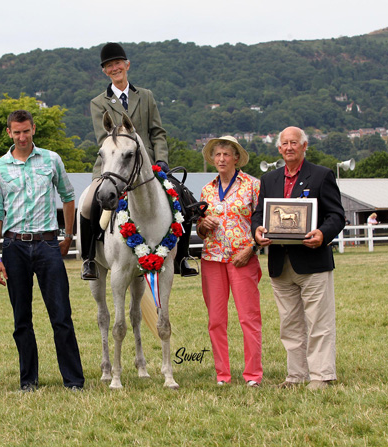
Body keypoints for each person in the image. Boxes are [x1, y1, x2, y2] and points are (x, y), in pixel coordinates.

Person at [81, 42, 196, 280]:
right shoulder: (98, 102)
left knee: (182, 198)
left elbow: (158, 132)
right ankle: (90, 258)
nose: (115, 68)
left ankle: (182, 257)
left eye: (118, 64)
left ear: (127, 65)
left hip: (149, 168)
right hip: (113, 167)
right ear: (105, 71)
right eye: (109, 66)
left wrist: (161, 160)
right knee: (89, 203)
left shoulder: (145, 96)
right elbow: (104, 139)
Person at [0, 109, 84, 392]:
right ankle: (28, 380)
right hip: (14, 246)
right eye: (16, 132)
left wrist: (68, 235)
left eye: (26, 131)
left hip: (47, 243)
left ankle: (74, 380)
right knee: (21, 319)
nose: (22, 137)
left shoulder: (51, 159)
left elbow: (68, 197)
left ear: (33, 129)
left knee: (61, 315)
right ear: (9, 132)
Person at [252, 126, 345, 391]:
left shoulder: (322, 175)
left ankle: (322, 374)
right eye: (285, 143)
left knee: (319, 321)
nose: (289, 147)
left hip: (313, 262)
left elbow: (336, 216)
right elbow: (259, 215)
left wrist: (323, 234)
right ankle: (296, 375)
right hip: (280, 263)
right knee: (289, 322)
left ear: (305, 146)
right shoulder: (268, 179)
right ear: (279, 149)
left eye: (295, 142)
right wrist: (257, 231)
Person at [196, 136, 262, 387]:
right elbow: (200, 231)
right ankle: (222, 374)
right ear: (212, 159)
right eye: (217, 154)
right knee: (215, 320)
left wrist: (252, 248)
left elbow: (262, 223)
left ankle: (253, 375)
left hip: (242, 258)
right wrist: (203, 224)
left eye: (226, 154)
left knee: (249, 318)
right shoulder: (207, 190)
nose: (221, 158)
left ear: (236, 158)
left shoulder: (253, 185)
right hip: (212, 258)